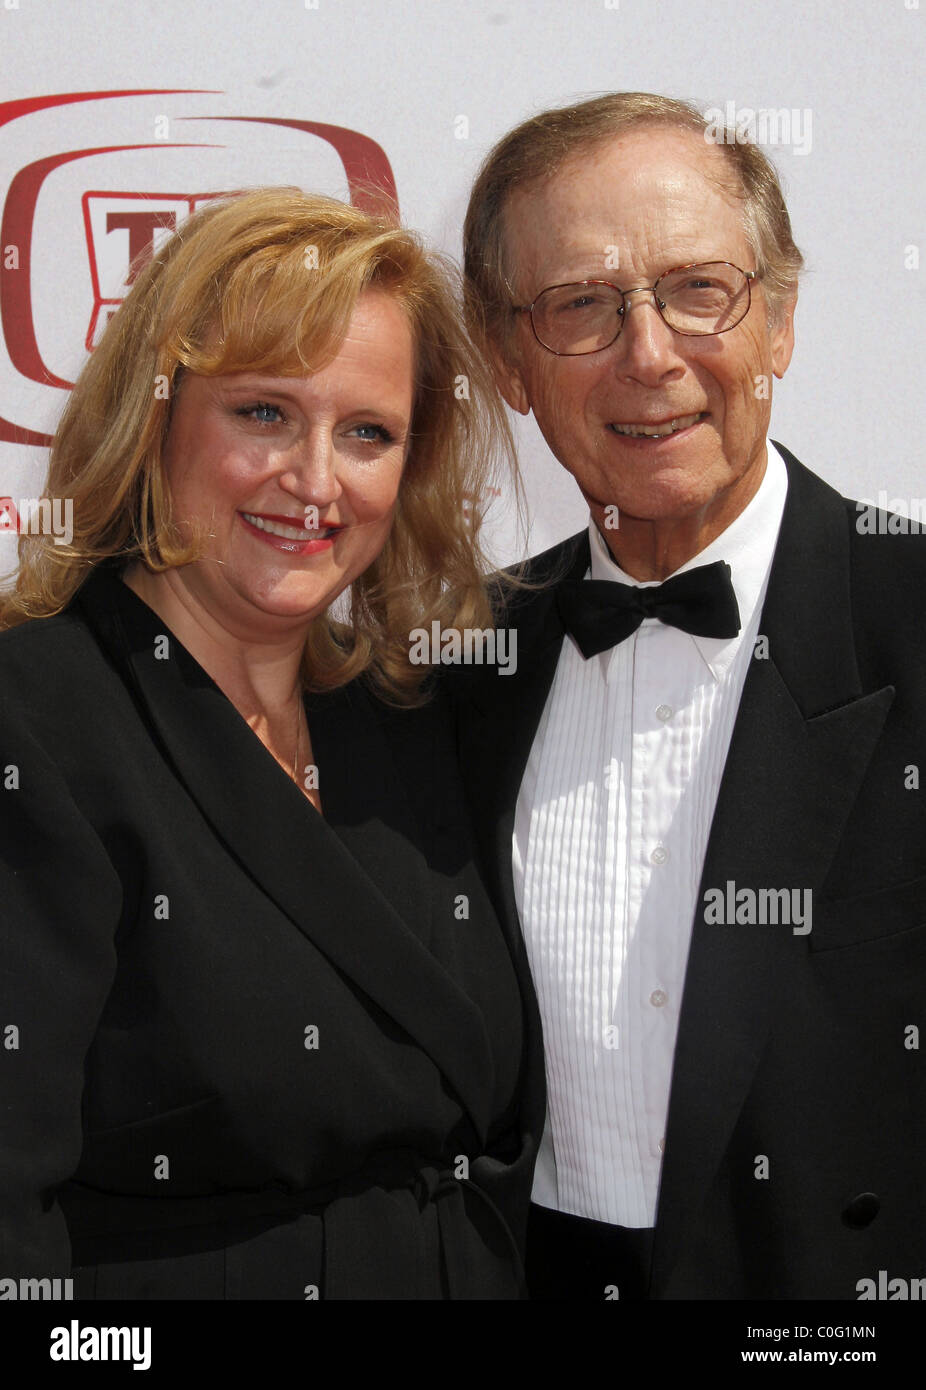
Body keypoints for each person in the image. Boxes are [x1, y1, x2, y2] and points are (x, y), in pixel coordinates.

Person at [0, 188, 544, 1300]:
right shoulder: (38, 716)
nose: (313, 481)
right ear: (155, 420)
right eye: (262, 413)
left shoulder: (409, 717)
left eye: (366, 433)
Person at [454, 91, 926, 1300]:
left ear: (775, 320)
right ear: (509, 360)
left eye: (696, 290)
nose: (647, 353)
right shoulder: (449, 662)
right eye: (581, 306)